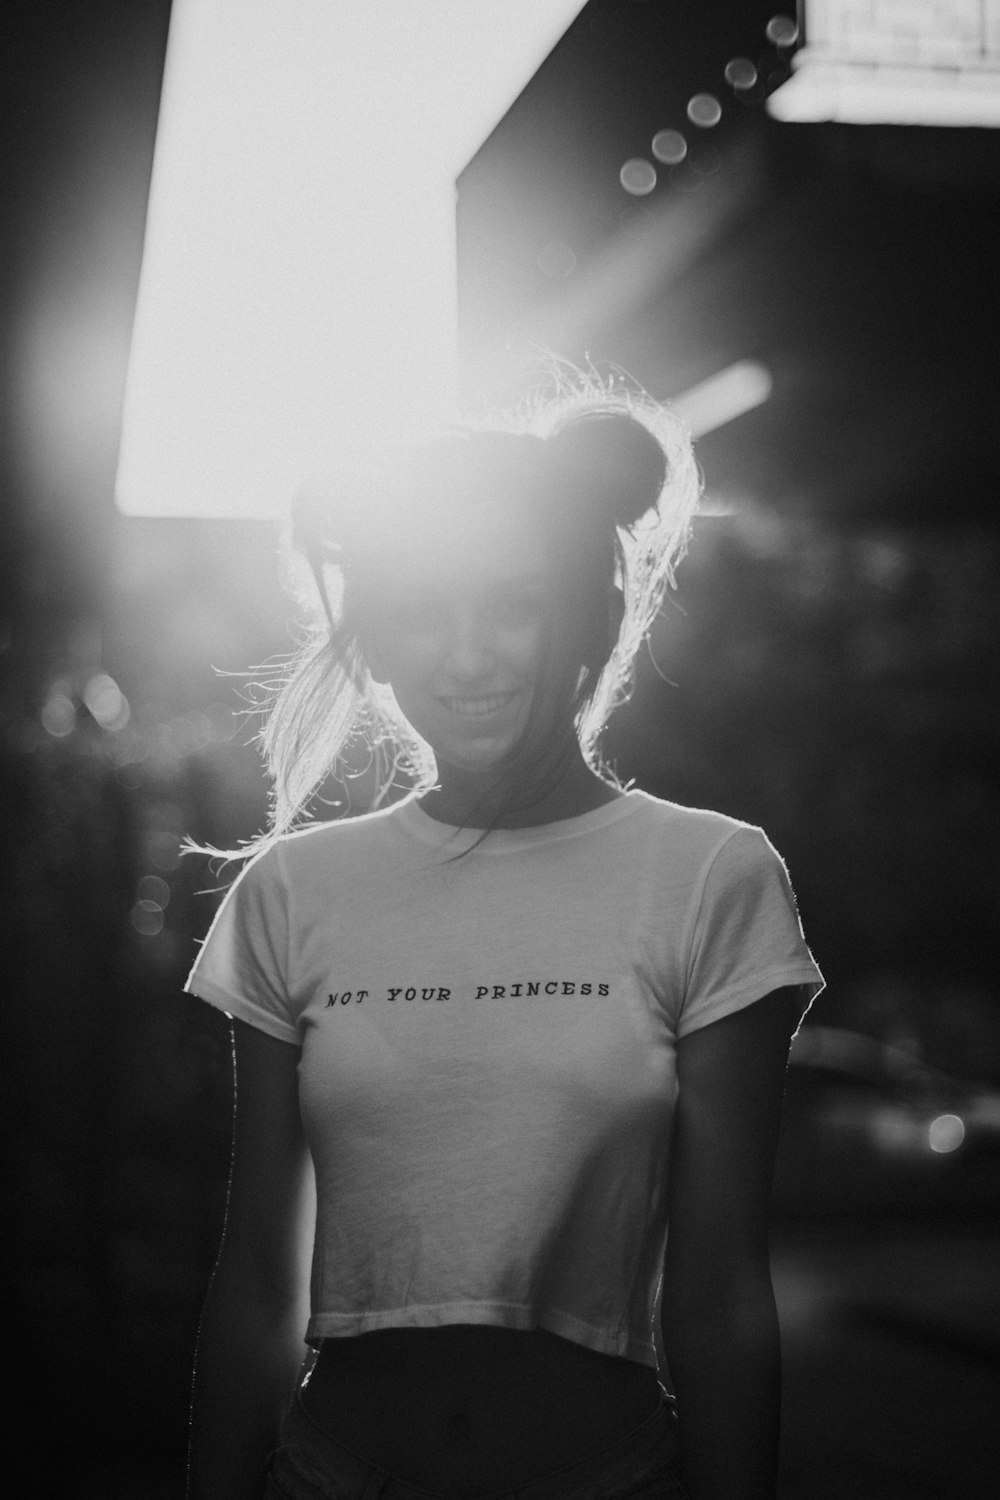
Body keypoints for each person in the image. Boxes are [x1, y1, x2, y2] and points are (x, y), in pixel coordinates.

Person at [183, 375, 824, 1500]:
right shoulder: (292, 890)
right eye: (424, 610)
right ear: (376, 639)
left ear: (588, 618)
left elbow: (720, 1298)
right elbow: (253, 1287)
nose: (466, 655)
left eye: (513, 605)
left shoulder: (711, 877)